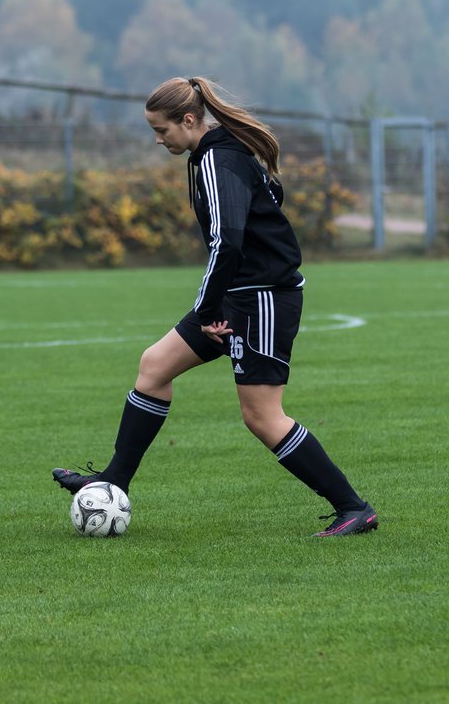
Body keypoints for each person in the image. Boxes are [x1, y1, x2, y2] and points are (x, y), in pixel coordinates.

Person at [52, 76, 378, 536]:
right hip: (238, 294)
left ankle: (353, 507)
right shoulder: (215, 155)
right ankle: (114, 481)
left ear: (188, 120)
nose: (158, 139)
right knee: (155, 366)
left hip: (263, 298)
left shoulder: (218, 159)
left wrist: (208, 310)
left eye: (161, 130)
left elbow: (228, 240)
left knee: (262, 416)